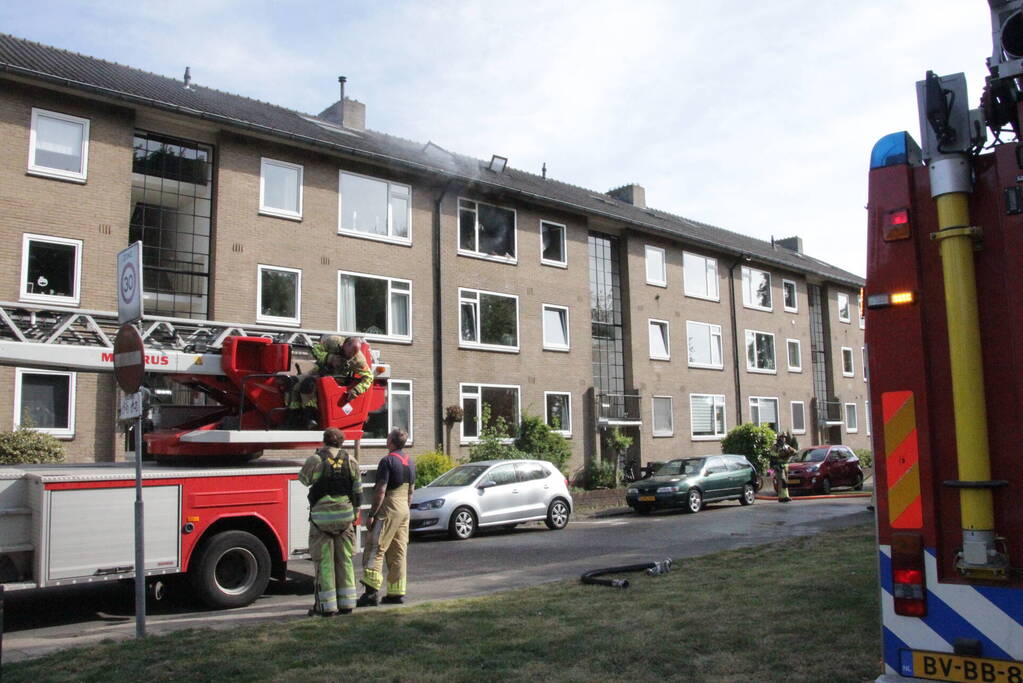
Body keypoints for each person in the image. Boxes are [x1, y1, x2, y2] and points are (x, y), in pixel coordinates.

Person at [299, 427, 362, 616]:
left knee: (324, 562)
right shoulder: (351, 461)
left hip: (322, 520)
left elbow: (303, 480)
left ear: (324, 441)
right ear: (342, 442)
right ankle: (348, 604)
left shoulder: (316, 460)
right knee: (345, 561)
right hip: (345, 517)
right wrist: (355, 514)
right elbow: (357, 490)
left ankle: (326, 607)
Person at [358, 428, 415, 607]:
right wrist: (405, 510)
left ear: (391, 442)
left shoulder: (387, 461)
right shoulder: (410, 462)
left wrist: (372, 514)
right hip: (404, 507)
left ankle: (371, 593)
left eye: (388, 436)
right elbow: (411, 491)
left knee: (376, 547)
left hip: (390, 506)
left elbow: (381, 490)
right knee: (398, 550)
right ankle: (396, 593)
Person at [286, 335, 374, 429]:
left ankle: (310, 418)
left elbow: (369, 377)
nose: (351, 356)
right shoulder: (333, 341)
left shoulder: (358, 359)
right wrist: (330, 358)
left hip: (336, 380)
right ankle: (293, 416)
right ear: (345, 345)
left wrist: (356, 391)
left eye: (354, 354)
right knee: (294, 382)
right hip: (319, 372)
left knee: (308, 385)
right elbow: (316, 350)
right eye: (350, 353)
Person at [771, 432, 796, 503]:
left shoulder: (786, 446)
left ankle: (785, 496)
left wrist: (791, 451)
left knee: (785, 482)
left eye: (784, 437)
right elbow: (772, 455)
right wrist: (780, 454)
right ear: (779, 438)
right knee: (782, 481)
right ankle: (781, 497)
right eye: (782, 437)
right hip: (779, 466)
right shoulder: (775, 447)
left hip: (785, 466)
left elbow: (794, 452)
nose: (783, 439)